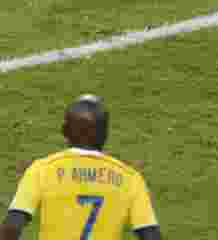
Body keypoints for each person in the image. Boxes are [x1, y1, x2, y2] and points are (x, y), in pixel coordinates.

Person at [1, 95, 160, 240]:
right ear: (105, 134)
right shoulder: (130, 178)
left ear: (64, 131)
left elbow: (12, 226)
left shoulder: (40, 170)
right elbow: (150, 235)